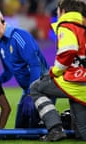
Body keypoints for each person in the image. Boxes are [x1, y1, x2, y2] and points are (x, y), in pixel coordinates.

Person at [0, 7, 49, 128]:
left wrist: (30, 94)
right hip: (28, 91)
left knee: (35, 130)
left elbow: (34, 65)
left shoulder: (19, 36)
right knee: (19, 129)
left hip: (43, 87)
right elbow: (8, 72)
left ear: (2, 20)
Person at [30, 0, 86, 141]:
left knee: (36, 87)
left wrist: (55, 71)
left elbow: (68, 50)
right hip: (81, 86)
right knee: (82, 133)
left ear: (62, 11)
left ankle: (55, 129)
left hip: (74, 81)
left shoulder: (67, 25)